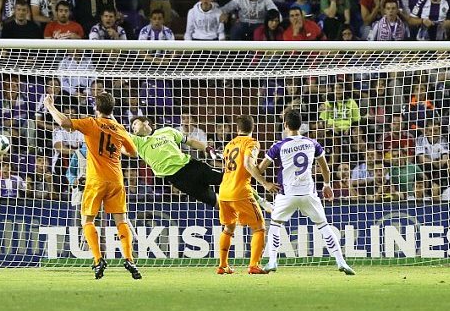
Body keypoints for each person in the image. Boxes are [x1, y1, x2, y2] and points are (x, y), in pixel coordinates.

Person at [43, 91, 142, 280]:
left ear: (96, 108)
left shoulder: (91, 123)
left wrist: (50, 106)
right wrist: (116, 146)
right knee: (121, 220)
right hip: (116, 180)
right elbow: (133, 153)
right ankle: (129, 259)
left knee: (87, 221)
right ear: (112, 108)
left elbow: (64, 123)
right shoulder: (119, 128)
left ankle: (98, 260)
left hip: (96, 180)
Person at [258, 109, 355, 275]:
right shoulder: (312, 143)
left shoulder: (278, 146)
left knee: (275, 225)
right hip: (308, 193)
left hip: (286, 194)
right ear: (301, 126)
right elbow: (324, 166)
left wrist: (258, 174)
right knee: (324, 226)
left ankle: (272, 261)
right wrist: (326, 184)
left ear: (285, 125)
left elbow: (260, 169)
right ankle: (341, 262)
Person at [217, 115, 279, 275]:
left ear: (237, 128)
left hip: (223, 191)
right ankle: (253, 265)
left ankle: (223, 266)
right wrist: (265, 183)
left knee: (228, 227)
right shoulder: (252, 143)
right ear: (253, 127)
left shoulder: (229, 145)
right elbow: (247, 164)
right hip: (240, 192)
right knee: (259, 227)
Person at [130, 116, 221, 207]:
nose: (133, 127)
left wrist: (207, 148)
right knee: (214, 201)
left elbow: (190, 141)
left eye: (135, 123)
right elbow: (119, 132)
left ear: (145, 122)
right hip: (177, 179)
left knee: (224, 179)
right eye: (132, 126)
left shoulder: (167, 131)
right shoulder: (138, 142)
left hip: (190, 166)